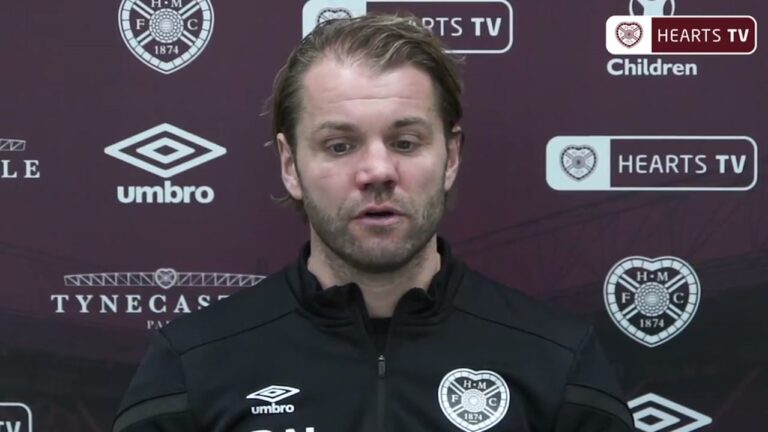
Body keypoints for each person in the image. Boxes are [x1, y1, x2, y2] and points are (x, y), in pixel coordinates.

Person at [113, 14, 635, 432]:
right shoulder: (194, 364)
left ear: (451, 156)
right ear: (290, 165)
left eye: (405, 142)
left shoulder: (556, 361)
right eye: (340, 146)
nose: (378, 171)